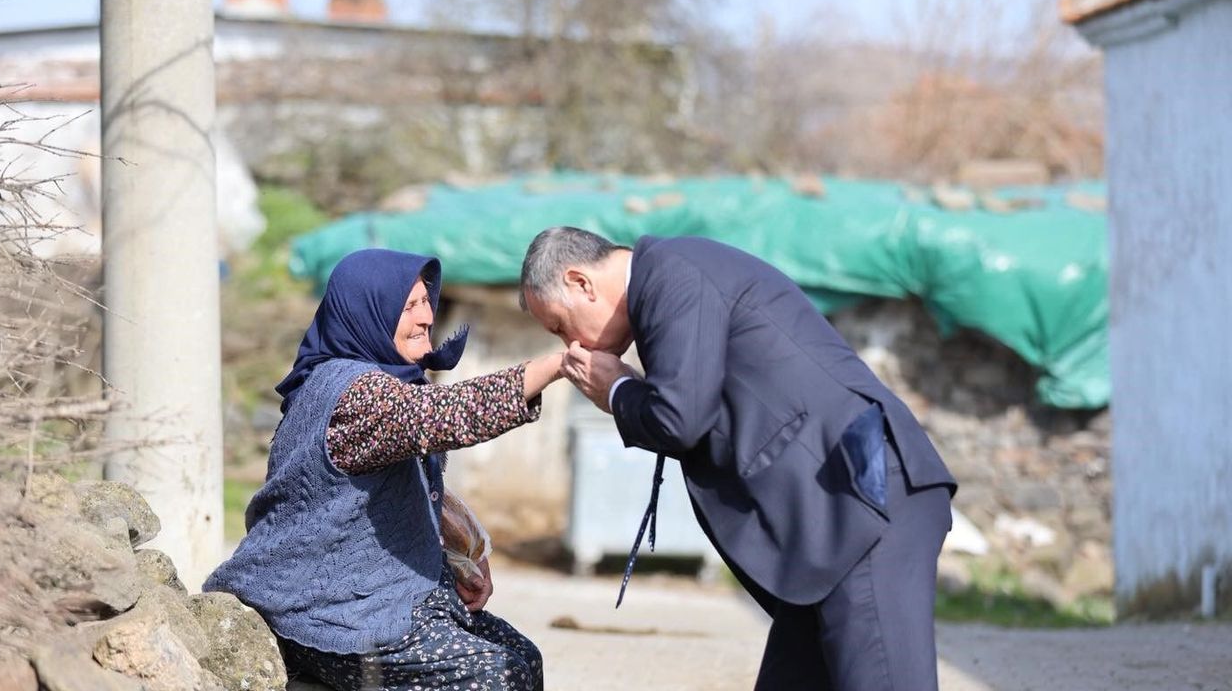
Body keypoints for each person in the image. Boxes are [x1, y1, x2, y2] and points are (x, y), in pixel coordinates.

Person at [519, 227, 957, 691]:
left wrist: (618, 390)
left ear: (581, 283)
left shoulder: (671, 273)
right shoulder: (667, 280)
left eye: (560, 326)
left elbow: (680, 418)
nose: (572, 345)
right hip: (830, 518)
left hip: (861, 502)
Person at [206, 248, 562, 691]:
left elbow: (407, 487)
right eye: (408, 306)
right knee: (494, 675)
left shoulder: (387, 380)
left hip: (384, 598)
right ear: (367, 312)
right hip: (329, 611)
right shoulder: (354, 391)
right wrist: (553, 366)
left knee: (523, 657)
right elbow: (443, 415)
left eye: (427, 301)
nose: (426, 317)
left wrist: (463, 554)